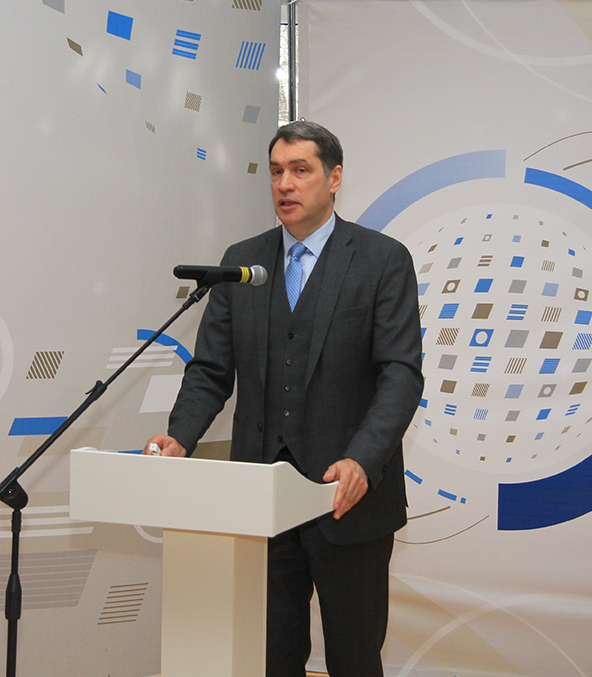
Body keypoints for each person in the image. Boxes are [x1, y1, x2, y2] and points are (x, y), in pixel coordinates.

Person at [143, 120, 423, 677]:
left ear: (334, 178)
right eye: (276, 172)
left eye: (300, 170)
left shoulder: (382, 258)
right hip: (260, 501)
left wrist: (362, 459)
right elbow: (210, 370)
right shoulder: (243, 262)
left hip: (346, 498)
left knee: (355, 659)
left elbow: (401, 374)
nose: (285, 185)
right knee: (270, 657)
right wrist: (180, 438)